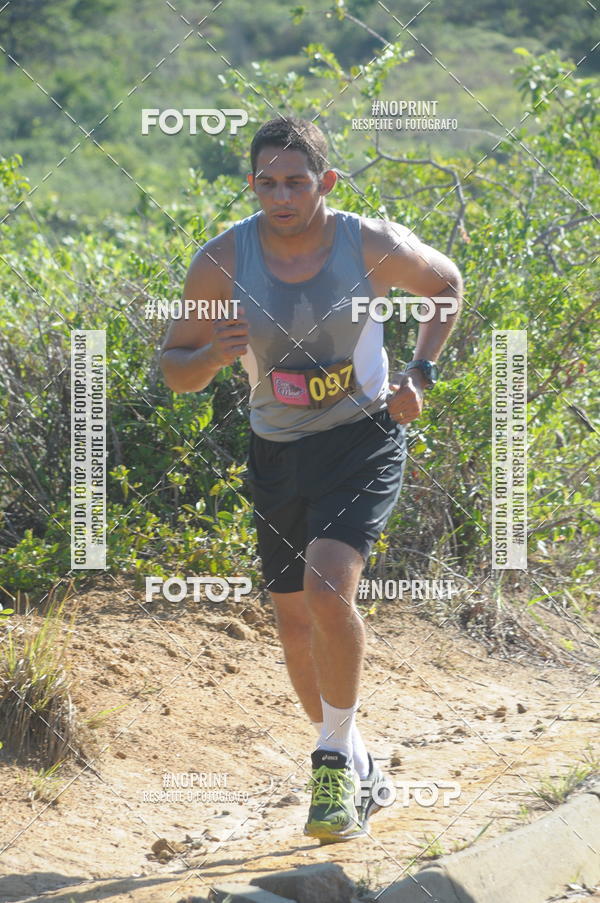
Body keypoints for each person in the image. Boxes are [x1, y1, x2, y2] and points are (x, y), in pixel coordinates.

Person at [160, 116, 462, 844]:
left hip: (362, 436)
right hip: (277, 452)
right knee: (295, 623)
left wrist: (419, 371)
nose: (282, 195)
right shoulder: (223, 260)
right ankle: (358, 759)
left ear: (326, 182)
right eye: (268, 182)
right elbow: (174, 370)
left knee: (330, 587)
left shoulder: (368, 244)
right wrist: (211, 358)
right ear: (253, 185)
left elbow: (444, 284)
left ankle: (329, 759)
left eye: (297, 181)